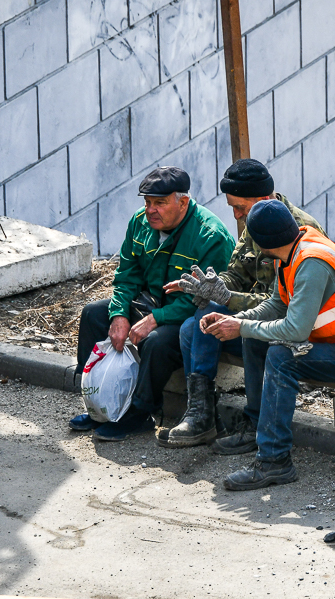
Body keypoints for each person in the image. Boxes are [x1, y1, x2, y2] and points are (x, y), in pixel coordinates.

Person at [198, 200, 335, 490]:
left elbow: (295, 330)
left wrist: (240, 325)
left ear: (263, 241)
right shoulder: (290, 250)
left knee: (282, 355)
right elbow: (276, 306)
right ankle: (256, 428)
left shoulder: (311, 262)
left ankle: (274, 461)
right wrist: (237, 320)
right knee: (255, 340)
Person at [158, 159, 325, 448]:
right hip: (266, 317)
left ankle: (244, 422)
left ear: (262, 200)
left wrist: (227, 301)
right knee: (191, 328)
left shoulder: (295, 230)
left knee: (229, 328)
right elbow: (236, 274)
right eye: (233, 207)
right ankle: (202, 414)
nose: (236, 216)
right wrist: (212, 286)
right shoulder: (254, 220)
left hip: (297, 331)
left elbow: (284, 304)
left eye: (240, 208)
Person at [70, 167, 235, 442]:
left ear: (182, 202)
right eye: (147, 203)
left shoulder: (210, 236)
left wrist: (157, 317)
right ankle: (98, 405)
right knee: (93, 314)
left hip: (186, 314)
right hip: (148, 303)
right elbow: (126, 276)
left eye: (160, 203)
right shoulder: (139, 222)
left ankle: (139, 413)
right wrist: (119, 314)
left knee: (158, 341)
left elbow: (204, 298)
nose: (150, 210)